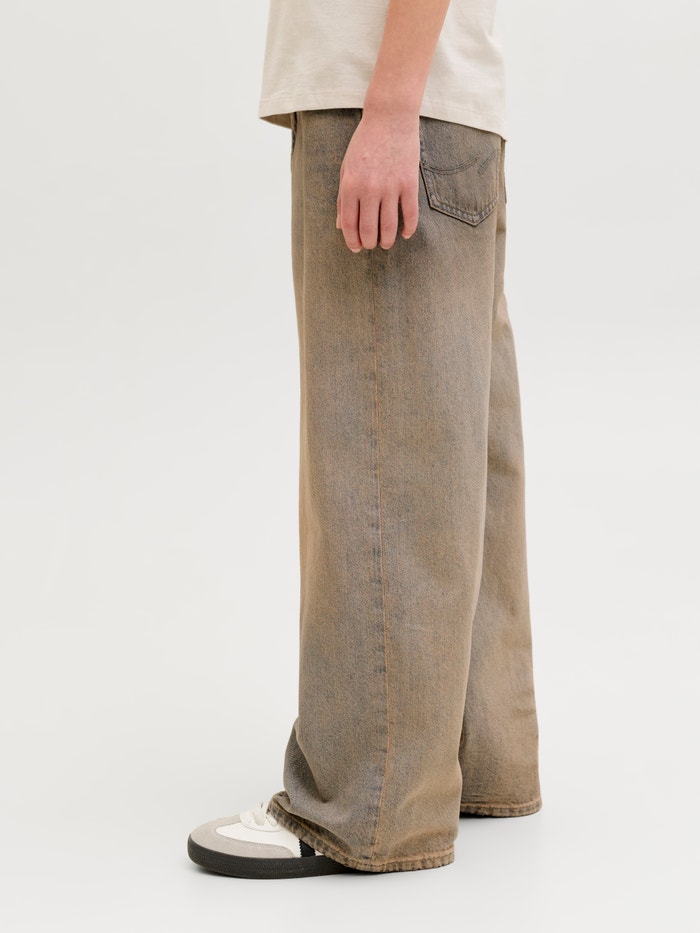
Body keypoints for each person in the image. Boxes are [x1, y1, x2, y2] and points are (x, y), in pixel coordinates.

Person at [187, 0, 541, 879]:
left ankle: (368, 802)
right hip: (436, 102)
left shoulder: (386, 105)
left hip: (383, 97)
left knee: (377, 452)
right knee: (454, 442)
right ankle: (476, 758)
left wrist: (387, 109)